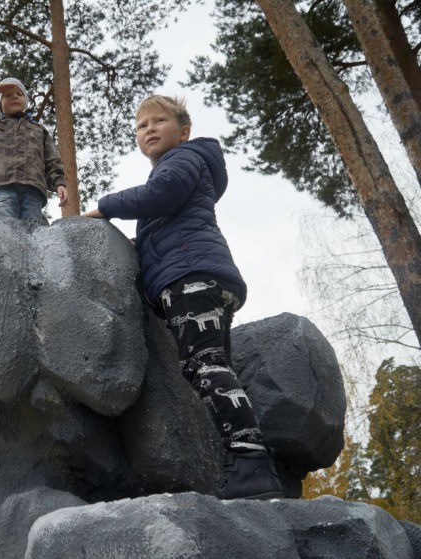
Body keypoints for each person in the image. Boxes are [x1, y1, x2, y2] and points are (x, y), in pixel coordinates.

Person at [83, 95, 283, 500]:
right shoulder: (180, 170)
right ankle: (244, 463)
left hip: (192, 278)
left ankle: (252, 463)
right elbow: (160, 228)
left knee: (205, 365)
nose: (150, 129)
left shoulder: (182, 161)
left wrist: (103, 208)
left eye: (159, 121)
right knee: (209, 366)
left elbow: (163, 193)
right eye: (141, 126)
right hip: (199, 278)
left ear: (184, 131)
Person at [0, 77, 68, 220]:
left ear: (25, 101)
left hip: (33, 191)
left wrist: (59, 183)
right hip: (1, 188)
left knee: (31, 234)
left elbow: (52, 160)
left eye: (19, 94)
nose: (14, 96)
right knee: (4, 232)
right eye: (8, 95)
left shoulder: (39, 130)